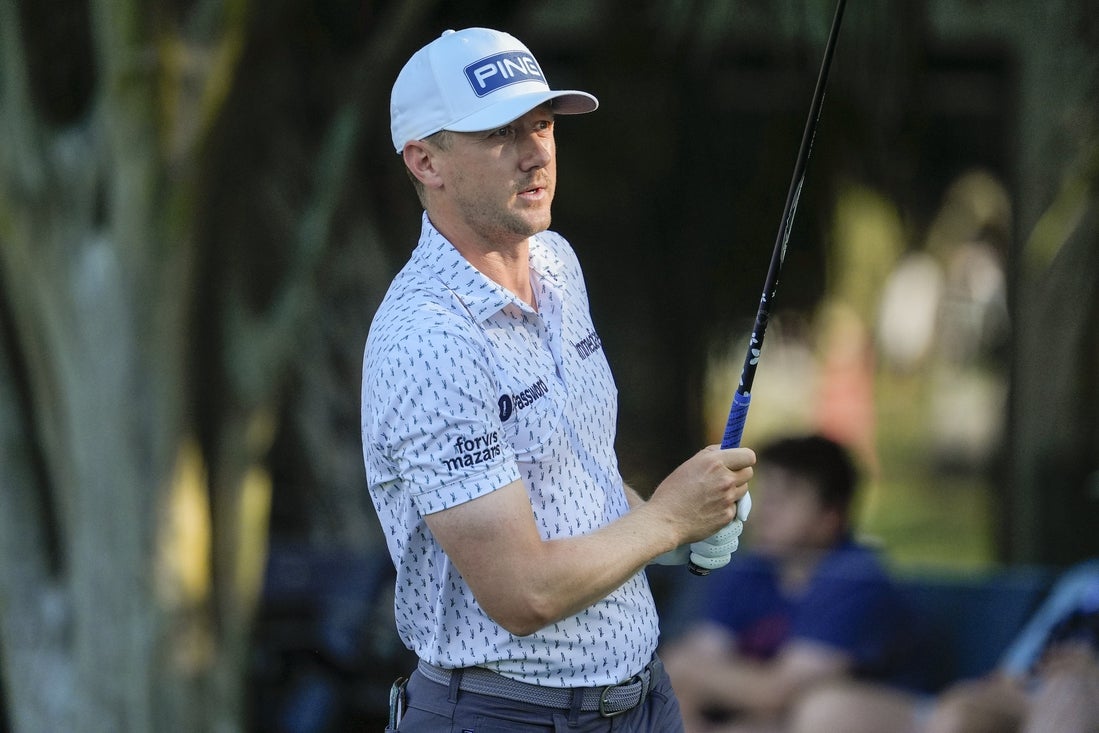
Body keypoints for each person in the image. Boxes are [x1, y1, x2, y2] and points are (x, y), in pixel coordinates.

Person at [361, 27, 756, 732]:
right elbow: (523, 593)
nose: (535, 152)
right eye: (499, 133)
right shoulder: (429, 337)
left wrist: (687, 525)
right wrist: (667, 518)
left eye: (542, 124)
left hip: (642, 700)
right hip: (501, 715)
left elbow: (578, 479)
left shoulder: (554, 262)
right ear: (425, 161)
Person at [660, 434, 931, 733]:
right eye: (763, 496)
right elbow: (684, 663)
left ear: (831, 515)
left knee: (820, 711)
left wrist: (703, 677)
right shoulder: (751, 569)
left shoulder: (857, 578)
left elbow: (777, 693)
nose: (763, 512)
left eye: (783, 499)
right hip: (758, 720)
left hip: (858, 716)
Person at [787, 558, 1099, 733]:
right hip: (1019, 700)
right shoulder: (1084, 581)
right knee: (826, 709)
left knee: (1069, 694)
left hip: (1072, 704)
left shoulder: (855, 576)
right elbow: (1010, 674)